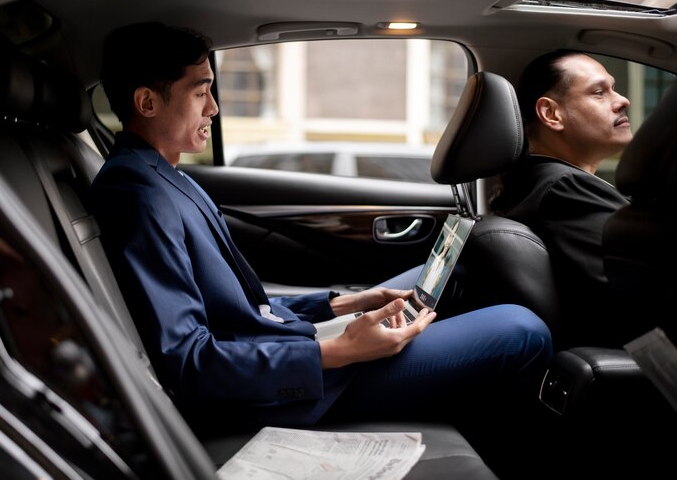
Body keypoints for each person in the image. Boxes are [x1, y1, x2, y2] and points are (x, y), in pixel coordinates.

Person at [90, 22, 553, 454]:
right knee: (521, 329)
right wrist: (339, 350)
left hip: (275, 346)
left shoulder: (162, 174)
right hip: (275, 391)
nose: (214, 107)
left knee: (446, 278)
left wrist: (346, 304)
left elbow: (238, 308)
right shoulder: (136, 194)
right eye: (201, 91)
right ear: (148, 103)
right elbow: (189, 361)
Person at [490, 49, 634, 348]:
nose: (622, 100)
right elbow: (640, 295)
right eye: (599, 92)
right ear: (551, 114)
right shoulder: (567, 188)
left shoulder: (532, 183)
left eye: (614, 88)